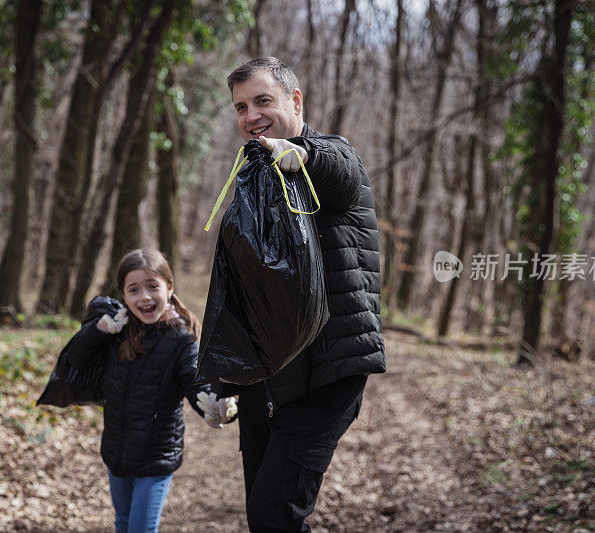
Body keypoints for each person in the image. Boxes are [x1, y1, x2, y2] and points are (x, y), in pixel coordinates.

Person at [204, 57, 386, 532]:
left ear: (295, 100)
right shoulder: (252, 178)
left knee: (275, 515)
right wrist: (225, 382)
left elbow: (338, 166)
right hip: (267, 379)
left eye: (263, 101)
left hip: (326, 372)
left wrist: (300, 154)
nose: (251, 116)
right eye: (241, 107)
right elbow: (240, 286)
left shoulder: (330, 155)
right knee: (265, 518)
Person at [63, 249, 236, 533]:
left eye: (153, 286)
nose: (144, 297)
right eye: (134, 289)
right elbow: (76, 359)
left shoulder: (182, 338)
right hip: (117, 451)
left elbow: (195, 380)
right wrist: (99, 330)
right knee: (123, 523)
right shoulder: (117, 329)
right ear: (124, 295)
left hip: (156, 457)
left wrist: (213, 401)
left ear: (169, 288)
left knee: (142, 529)